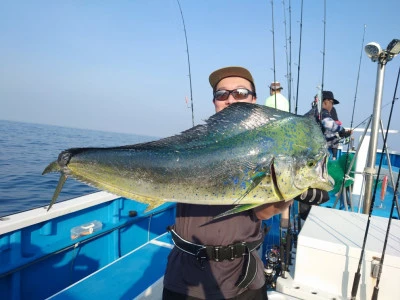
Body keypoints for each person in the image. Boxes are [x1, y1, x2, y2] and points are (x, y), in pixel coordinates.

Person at [162, 66, 329, 300]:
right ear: (215, 102)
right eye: (222, 94)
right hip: (186, 279)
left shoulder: (267, 148)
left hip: (244, 278)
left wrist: (292, 192)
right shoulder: (190, 145)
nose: (230, 99)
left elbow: (261, 213)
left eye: (240, 93)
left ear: (254, 100)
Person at [320, 91, 352, 160]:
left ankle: (333, 157)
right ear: (326, 102)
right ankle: (334, 158)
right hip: (319, 148)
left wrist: (344, 134)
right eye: (331, 103)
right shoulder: (323, 112)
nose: (332, 106)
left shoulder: (312, 112)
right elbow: (329, 124)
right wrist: (342, 130)